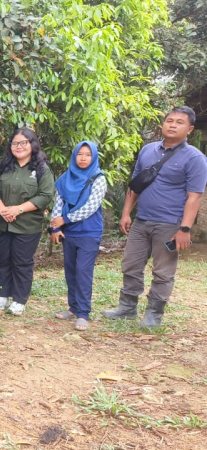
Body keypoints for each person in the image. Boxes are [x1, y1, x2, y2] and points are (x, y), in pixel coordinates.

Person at [103, 106, 207, 328]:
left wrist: (185, 229)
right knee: (131, 264)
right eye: (169, 120)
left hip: (170, 225)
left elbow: (194, 197)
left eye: (179, 122)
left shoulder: (195, 158)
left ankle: (154, 314)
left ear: (189, 129)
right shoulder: (147, 150)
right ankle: (127, 307)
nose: (172, 125)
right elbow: (136, 185)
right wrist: (125, 213)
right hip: (141, 222)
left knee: (163, 272)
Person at [0, 128, 55, 316]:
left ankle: (19, 298)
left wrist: (17, 209)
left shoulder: (41, 169)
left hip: (27, 224)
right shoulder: (2, 165)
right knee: (3, 259)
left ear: (32, 145)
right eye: (15, 143)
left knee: (21, 261)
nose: (19, 147)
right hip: (2, 222)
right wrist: (2, 209)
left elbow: (45, 195)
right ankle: (2, 294)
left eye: (23, 143)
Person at [49, 141, 106, 331]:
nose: (83, 158)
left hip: (89, 232)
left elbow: (91, 207)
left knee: (83, 271)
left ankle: (83, 313)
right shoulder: (66, 177)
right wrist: (55, 228)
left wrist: (64, 219)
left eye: (87, 155)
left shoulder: (99, 178)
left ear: (94, 157)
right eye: (79, 154)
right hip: (69, 233)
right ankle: (73, 308)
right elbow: (58, 202)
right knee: (71, 270)